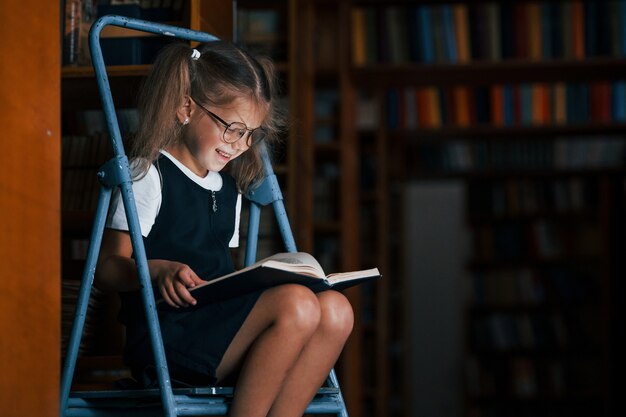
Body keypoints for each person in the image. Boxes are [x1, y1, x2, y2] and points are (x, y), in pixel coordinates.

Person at [94, 40, 354, 417]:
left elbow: (220, 273)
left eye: (250, 134)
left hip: (214, 326)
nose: (240, 145)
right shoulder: (148, 175)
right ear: (186, 108)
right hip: (168, 333)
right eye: (233, 128)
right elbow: (105, 267)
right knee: (296, 305)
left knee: (336, 310)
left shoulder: (227, 188)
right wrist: (153, 269)